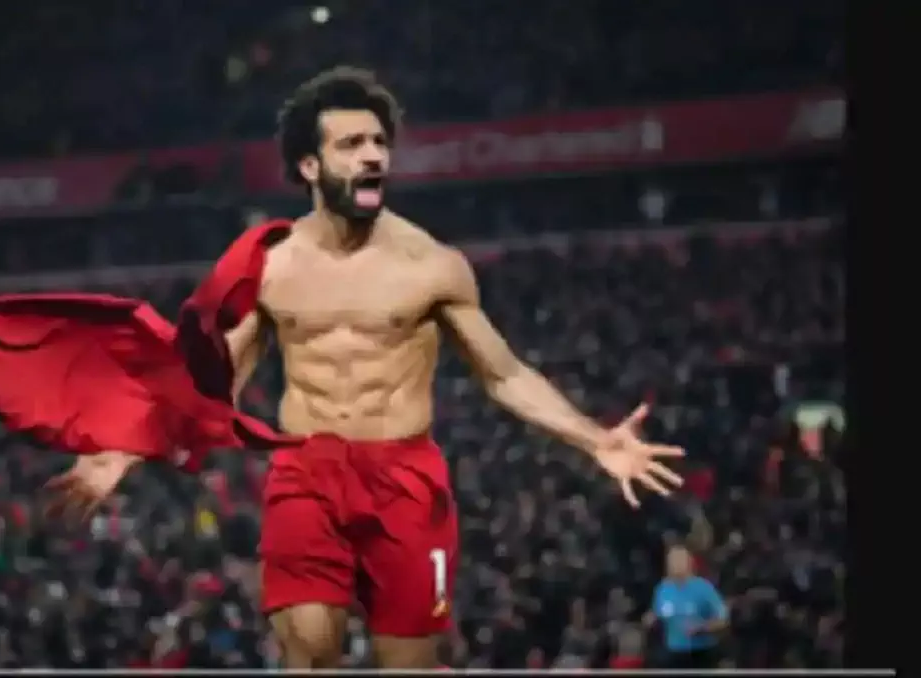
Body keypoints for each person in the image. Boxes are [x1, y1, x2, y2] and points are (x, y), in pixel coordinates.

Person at [43, 67, 685, 669]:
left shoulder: (431, 266)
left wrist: (594, 439)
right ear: (310, 166)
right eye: (351, 144)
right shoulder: (271, 267)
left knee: (408, 665)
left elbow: (504, 374)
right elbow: (216, 381)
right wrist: (125, 449)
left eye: (379, 143)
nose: (373, 156)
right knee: (309, 645)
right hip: (306, 470)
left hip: (403, 476)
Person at [645, 545, 729, 668]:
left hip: (701, 653)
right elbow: (657, 613)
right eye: (672, 561)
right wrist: (651, 619)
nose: (675, 564)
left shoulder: (704, 588)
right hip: (672, 652)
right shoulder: (662, 589)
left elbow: (723, 619)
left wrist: (703, 627)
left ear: (690, 563)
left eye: (680, 560)